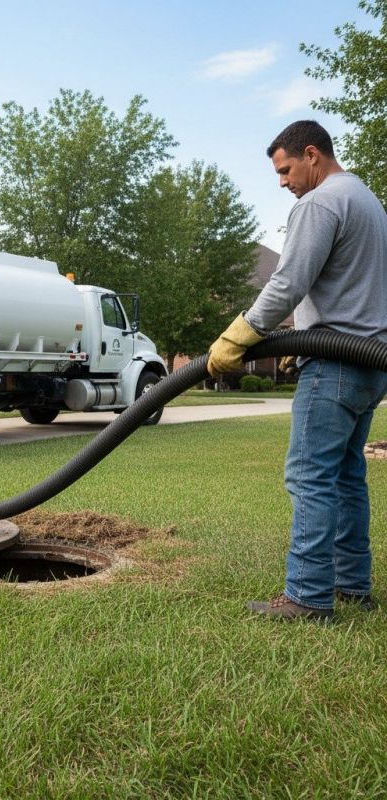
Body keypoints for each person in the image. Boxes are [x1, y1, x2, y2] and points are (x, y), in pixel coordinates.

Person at [208, 120, 387, 620]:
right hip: (370, 365)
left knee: (310, 477)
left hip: (335, 365)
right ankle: (352, 585)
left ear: (312, 154)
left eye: (285, 170)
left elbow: (287, 283)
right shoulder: (369, 201)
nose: (284, 182)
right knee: (347, 477)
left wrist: (238, 336)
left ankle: (307, 596)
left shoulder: (320, 202)